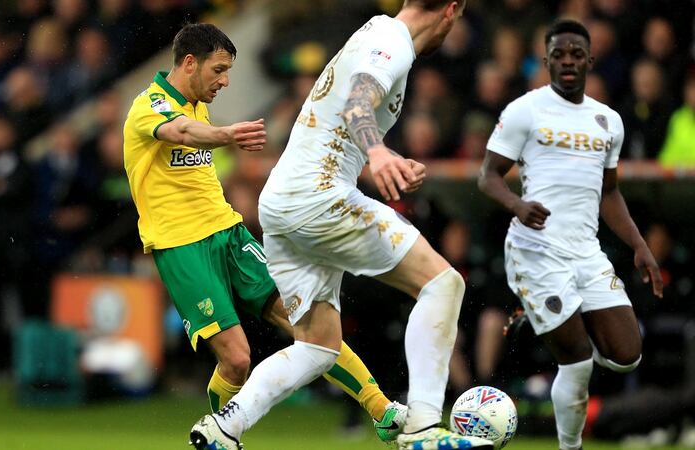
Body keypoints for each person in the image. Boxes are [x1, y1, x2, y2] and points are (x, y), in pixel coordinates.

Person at [190, 2, 494, 450]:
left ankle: (223, 428)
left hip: (284, 203)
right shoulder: (393, 44)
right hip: (320, 199)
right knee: (442, 283)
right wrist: (379, 153)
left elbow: (337, 124)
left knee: (317, 347)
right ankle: (424, 429)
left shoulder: (375, 30)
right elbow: (356, 105)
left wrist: (377, 159)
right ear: (452, 10)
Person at [121, 23, 406, 444]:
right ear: (188, 63)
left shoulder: (198, 103)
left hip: (230, 233)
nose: (225, 80)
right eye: (218, 70)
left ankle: (382, 411)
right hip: (182, 247)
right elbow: (179, 132)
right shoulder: (149, 106)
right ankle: (221, 435)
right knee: (237, 360)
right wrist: (226, 135)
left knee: (308, 322)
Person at [478, 19, 664, 450]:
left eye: (575, 55)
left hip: (586, 252)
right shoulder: (525, 110)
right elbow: (488, 177)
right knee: (577, 363)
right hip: (535, 251)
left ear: (589, 61)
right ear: (545, 61)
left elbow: (610, 192)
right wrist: (517, 205)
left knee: (626, 355)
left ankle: (552, 321)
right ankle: (570, 446)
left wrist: (639, 245)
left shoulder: (609, 121)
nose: (566, 61)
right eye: (558, 54)